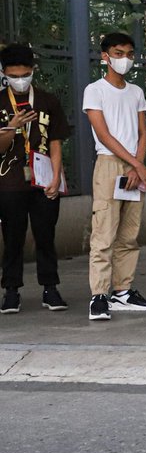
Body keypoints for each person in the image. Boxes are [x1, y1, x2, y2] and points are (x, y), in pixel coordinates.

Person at [82, 32, 146, 321]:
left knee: (130, 233)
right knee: (104, 232)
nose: (123, 59)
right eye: (117, 53)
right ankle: (99, 296)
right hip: (109, 164)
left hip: (133, 166)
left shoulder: (136, 92)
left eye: (128, 53)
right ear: (105, 56)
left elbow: (142, 132)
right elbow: (103, 134)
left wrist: (137, 165)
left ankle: (122, 292)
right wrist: (136, 166)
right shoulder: (95, 90)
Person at [0, 44, 69, 313]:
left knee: (46, 235)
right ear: (4, 73)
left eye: (25, 74)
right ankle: (11, 291)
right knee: (13, 237)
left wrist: (56, 176)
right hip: (9, 182)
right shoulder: (1, 101)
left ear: (33, 71)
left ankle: (50, 288)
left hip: (43, 180)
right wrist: (12, 127)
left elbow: (55, 142)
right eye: (14, 75)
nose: (20, 79)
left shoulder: (47, 100)